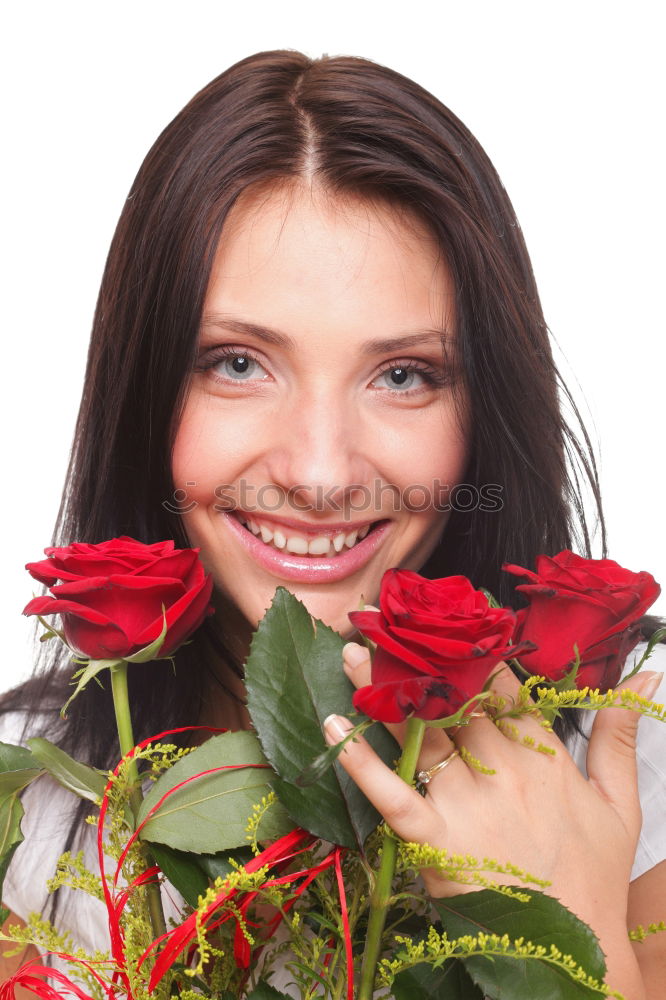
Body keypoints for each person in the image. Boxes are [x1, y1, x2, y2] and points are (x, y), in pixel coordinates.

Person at [1, 48, 665, 999]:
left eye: (402, 375)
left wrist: (570, 928)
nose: (319, 472)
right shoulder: (40, 809)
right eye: (237, 363)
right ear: (144, 392)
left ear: (484, 409)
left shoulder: (641, 767)